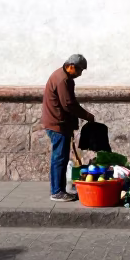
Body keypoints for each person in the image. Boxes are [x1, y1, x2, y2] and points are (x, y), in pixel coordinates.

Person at [42, 54, 95, 202]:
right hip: (57, 124)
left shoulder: (62, 76)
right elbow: (68, 104)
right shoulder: (63, 80)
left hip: (58, 123)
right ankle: (57, 191)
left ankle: (59, 189)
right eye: (79, 70)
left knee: (60, 157)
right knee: (59, 158)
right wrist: (87, 115)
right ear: (71, 66)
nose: (80, 74)